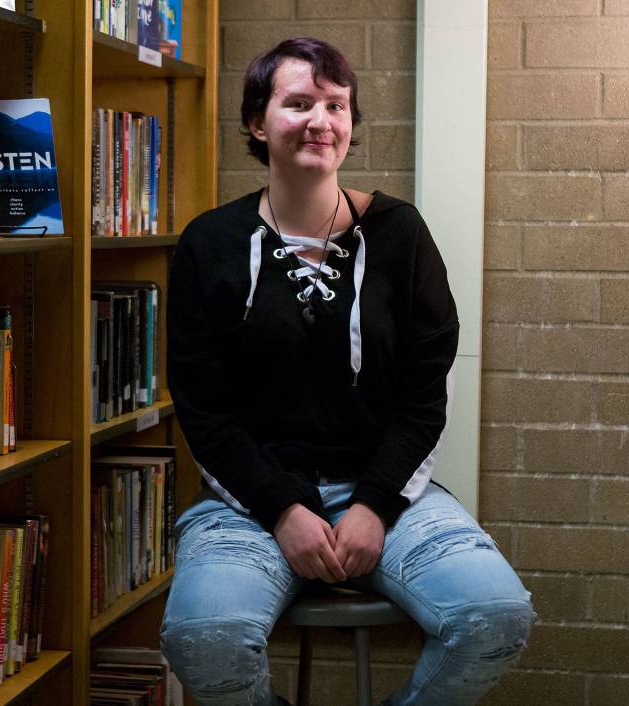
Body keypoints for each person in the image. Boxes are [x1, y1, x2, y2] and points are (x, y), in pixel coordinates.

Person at [160, 37, 534, 705]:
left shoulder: (401, 234)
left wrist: (375, 506)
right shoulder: (209, 244)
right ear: (257, 122)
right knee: (203, 638)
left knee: (495, 619)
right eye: (299, 103)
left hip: (384, 496)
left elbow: (427, 397)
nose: (320, 121)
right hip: (249, 504)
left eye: (336, 105)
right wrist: (282, 510)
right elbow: (202, 409)